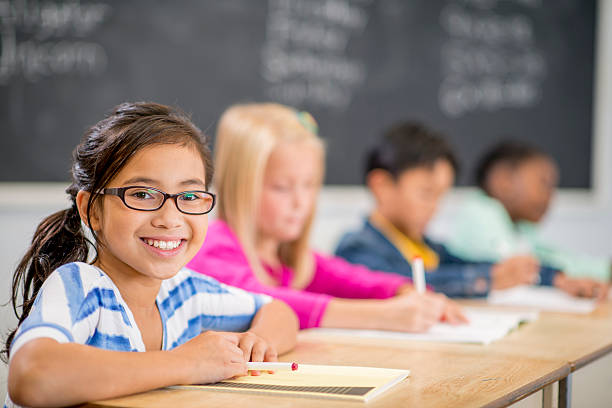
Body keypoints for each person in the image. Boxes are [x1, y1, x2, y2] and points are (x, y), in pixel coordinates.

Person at [4, 102, 298, 408]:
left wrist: (257, 341)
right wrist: (185, 363)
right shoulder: (82, 287)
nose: (169, 219)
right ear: (91, 210)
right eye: (142, 194)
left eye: (189, 196)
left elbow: (280, 312)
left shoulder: (187, 293)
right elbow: (31, 375)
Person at [188, 103, 467, 333]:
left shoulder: (291, 259)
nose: (301, 202)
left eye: (309, 186)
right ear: (242, 186)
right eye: (282, 188)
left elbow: (353, 278)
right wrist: (383, 316)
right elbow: (265, 302)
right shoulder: (214, 247)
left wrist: (404, 291)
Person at [334, 122, 566, 297]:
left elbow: (473, 265)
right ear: (381, 186)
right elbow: (400, 282)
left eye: (440, 196)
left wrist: (554, 278)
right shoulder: (356, 248)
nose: (434, 208)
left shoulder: (427, 248)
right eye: (426, 193)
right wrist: (487, 279)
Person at [445, 140, 610, 297]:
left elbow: (555, 258)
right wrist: (563, 278)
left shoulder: (520, 227)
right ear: (504, 181)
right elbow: (519, 268)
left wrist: (604, 270)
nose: (551, 197)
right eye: (544, 183)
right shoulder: (480, 211)